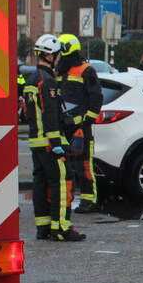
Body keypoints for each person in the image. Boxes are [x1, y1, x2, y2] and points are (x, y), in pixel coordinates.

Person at [22, 34, 85, 242]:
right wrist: (57, 143)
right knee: (62, 182)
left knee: (40, 185)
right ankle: (61, 228)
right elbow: (49, 114)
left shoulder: (32, 78)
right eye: (57, 55)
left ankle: (43, 227)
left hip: (36, 143)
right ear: (51, 56)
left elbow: (30, 113)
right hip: (50, 143)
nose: (58, 59)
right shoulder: (47, 81)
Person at [56, 33, 103, 214]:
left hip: (80, 128)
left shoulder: (86, 70)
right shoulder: (60, 70)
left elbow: (96, 97)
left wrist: (86, 122)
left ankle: (89, 200)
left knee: (83, 165)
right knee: (65, 166)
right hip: (64, 126)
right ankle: (67, 200)